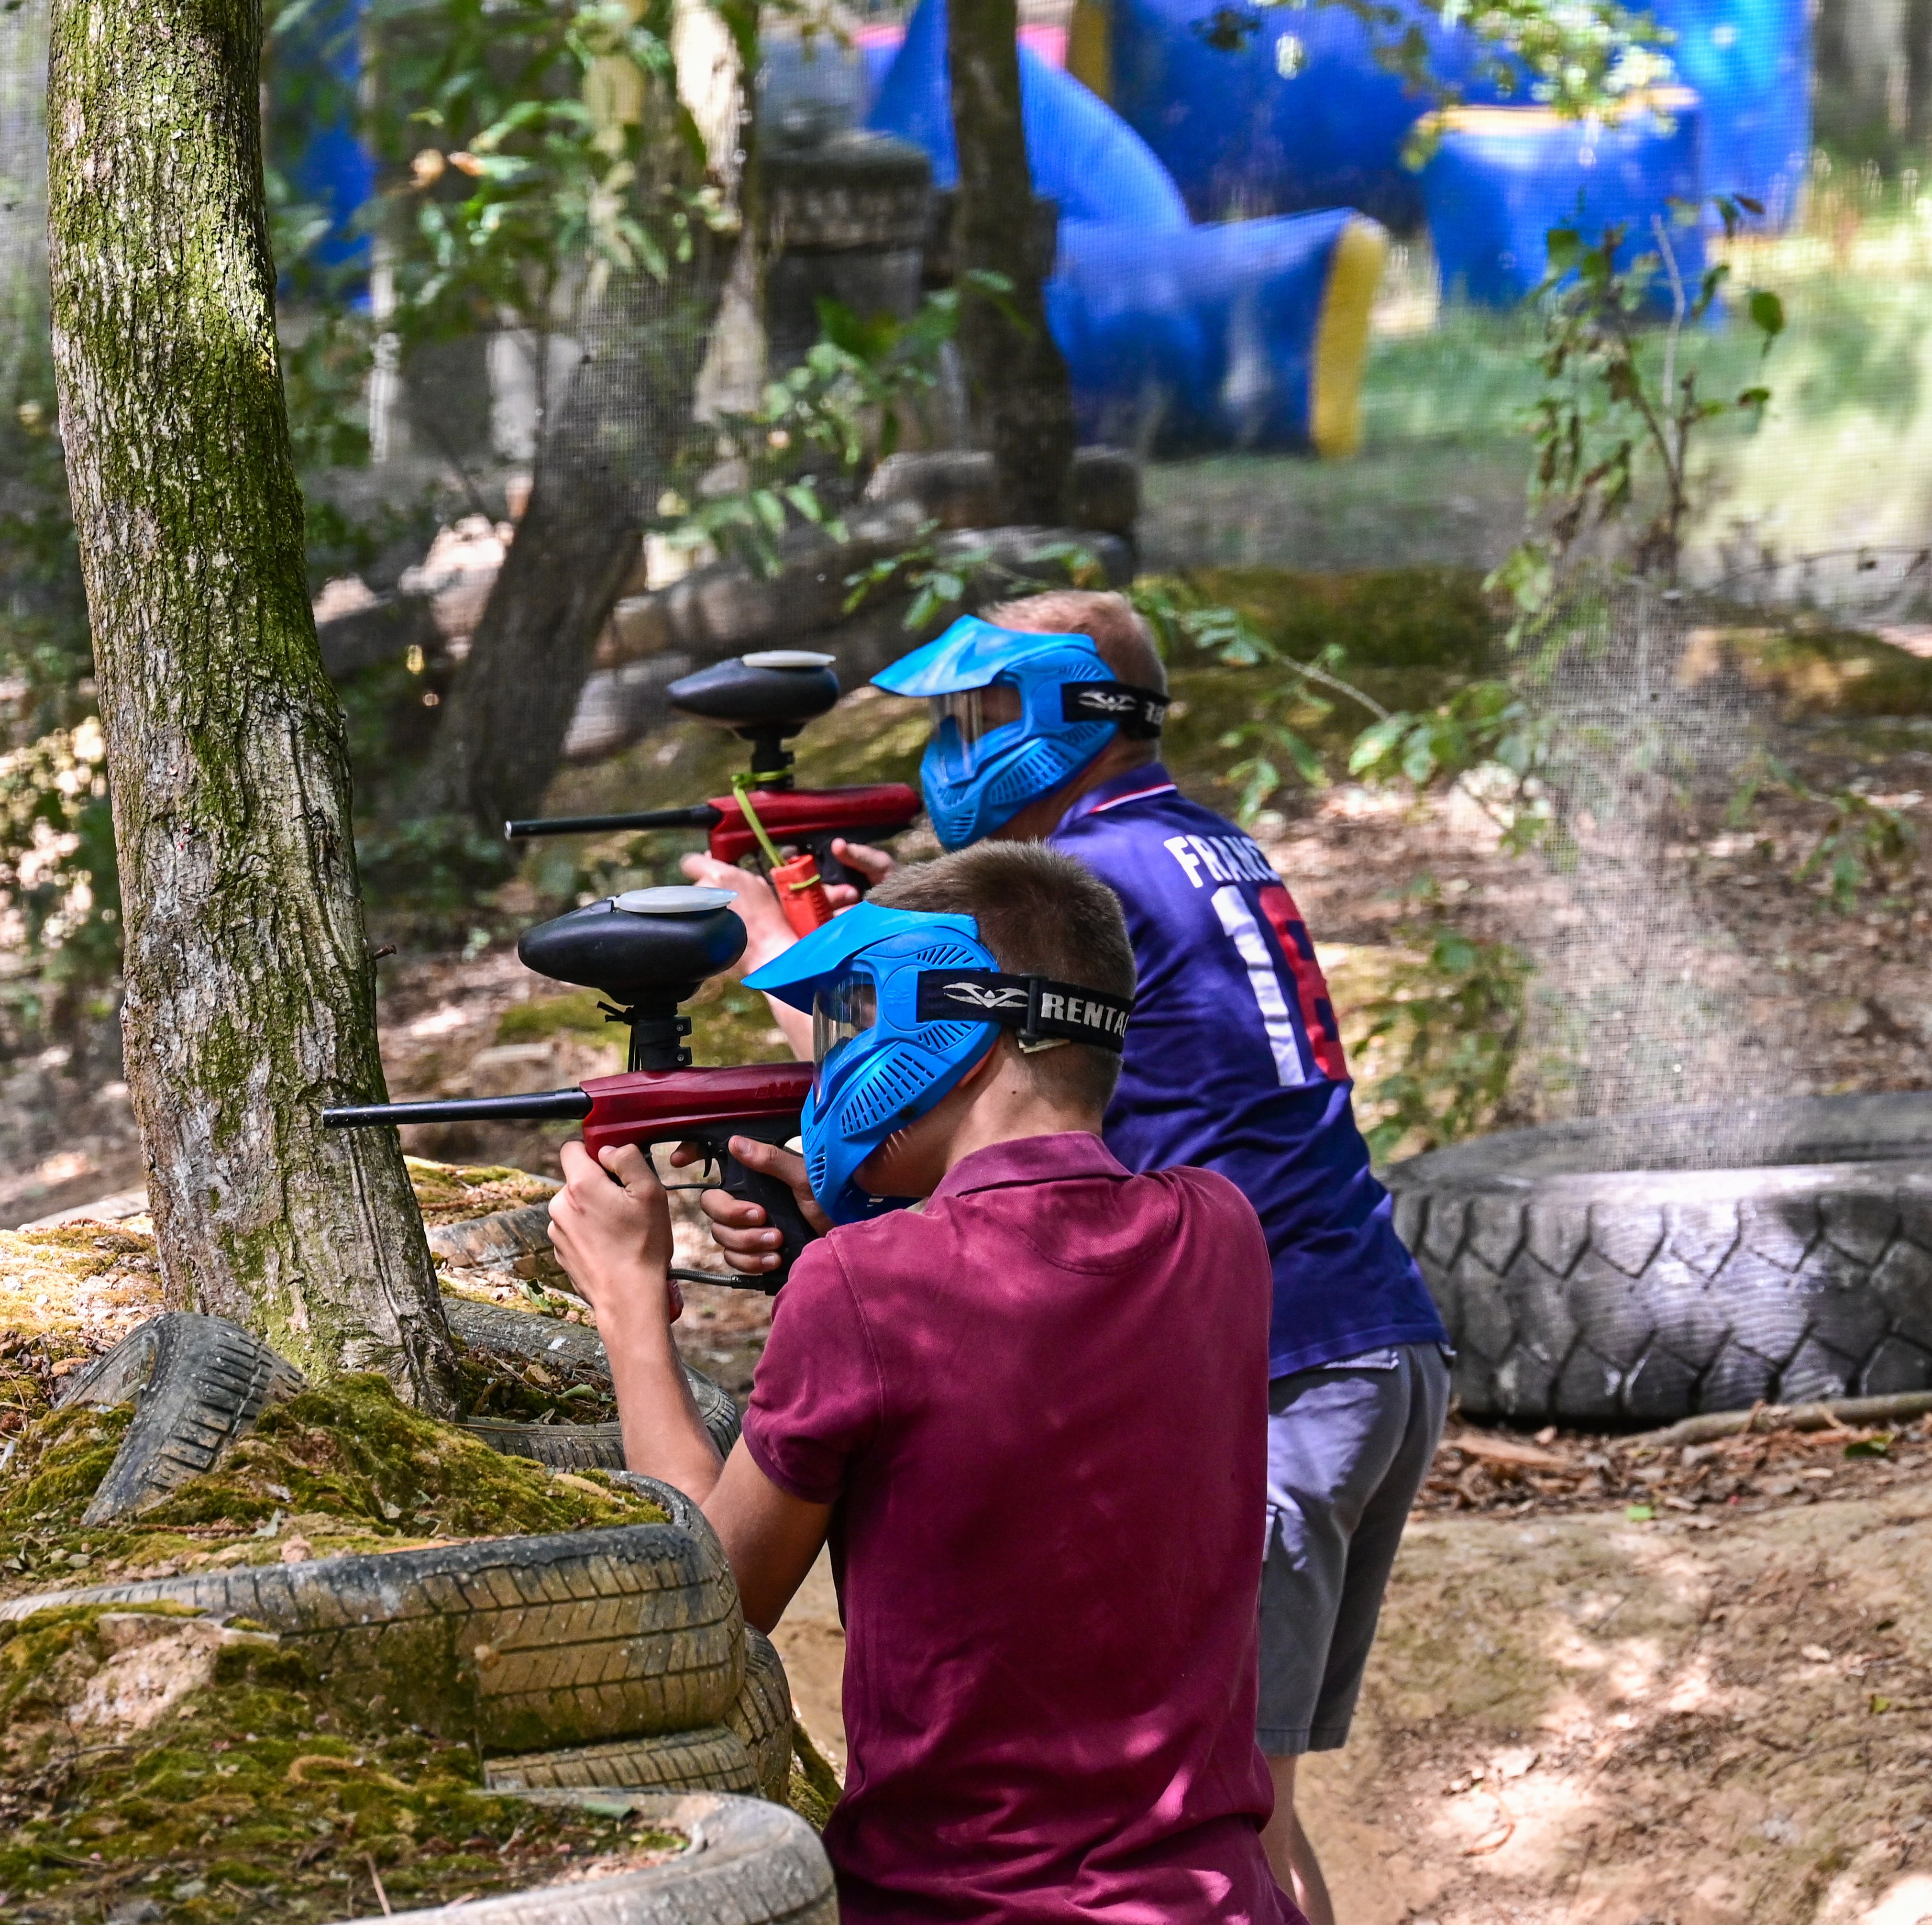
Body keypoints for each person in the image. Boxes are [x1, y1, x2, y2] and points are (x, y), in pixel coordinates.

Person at [685, 592, 1450, 1925]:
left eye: (981, 715)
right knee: (1239, 1823)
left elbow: (991, 1088)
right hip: (1360, 1325)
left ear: (1064, 718)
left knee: (1232, 1825)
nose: (952, 749)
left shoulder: (1100, 889)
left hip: (1281, 1362)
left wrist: (797, 969)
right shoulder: (1197, 848)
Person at [546, 842, 1308, 1925]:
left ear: (955, 1034)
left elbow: (717, 1598)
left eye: (860, 1011)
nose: (839, 1055)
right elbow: (1033, 1267)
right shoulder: (1222, 1231)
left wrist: (630, 1303)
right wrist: (862, 1223)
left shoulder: (866, 1283)